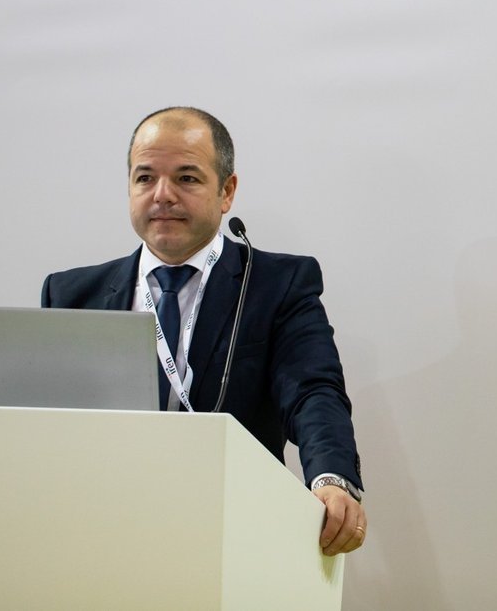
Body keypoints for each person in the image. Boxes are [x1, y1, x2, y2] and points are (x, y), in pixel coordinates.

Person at [41, 106, 367, 555]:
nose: (162, 195)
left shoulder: (275, 284)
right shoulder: (72, 294)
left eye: (186, 178)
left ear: (226, 191)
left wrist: (331, 477)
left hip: (233, 529)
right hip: (103, 528)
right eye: (145, 178)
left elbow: (312, 390)